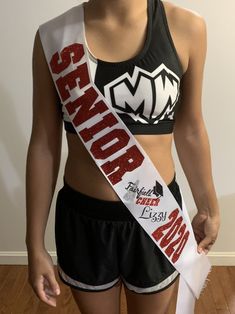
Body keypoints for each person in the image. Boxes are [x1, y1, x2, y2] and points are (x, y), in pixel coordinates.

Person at [25, 0, 220, 313]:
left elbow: (191, 129)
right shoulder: (53, 37)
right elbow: (44, 144)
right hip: (84, 221)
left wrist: (209, 204)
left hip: (158, 218)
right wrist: (33, 243)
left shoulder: (188, 27)